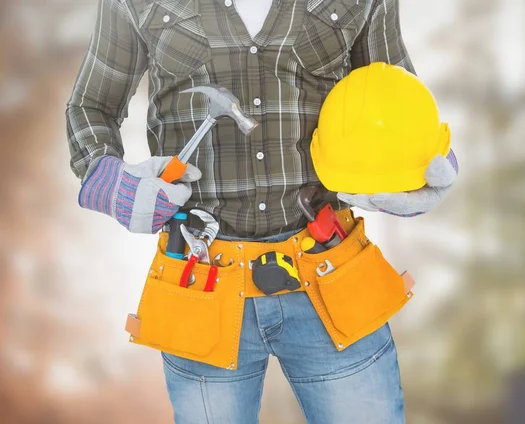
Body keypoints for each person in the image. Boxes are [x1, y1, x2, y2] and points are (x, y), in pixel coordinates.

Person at [66, 1, 458, 423]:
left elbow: (396, 98)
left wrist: (423, 169)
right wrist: (114, 187)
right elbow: (91, 107)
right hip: (200, 280)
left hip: (330, 271)